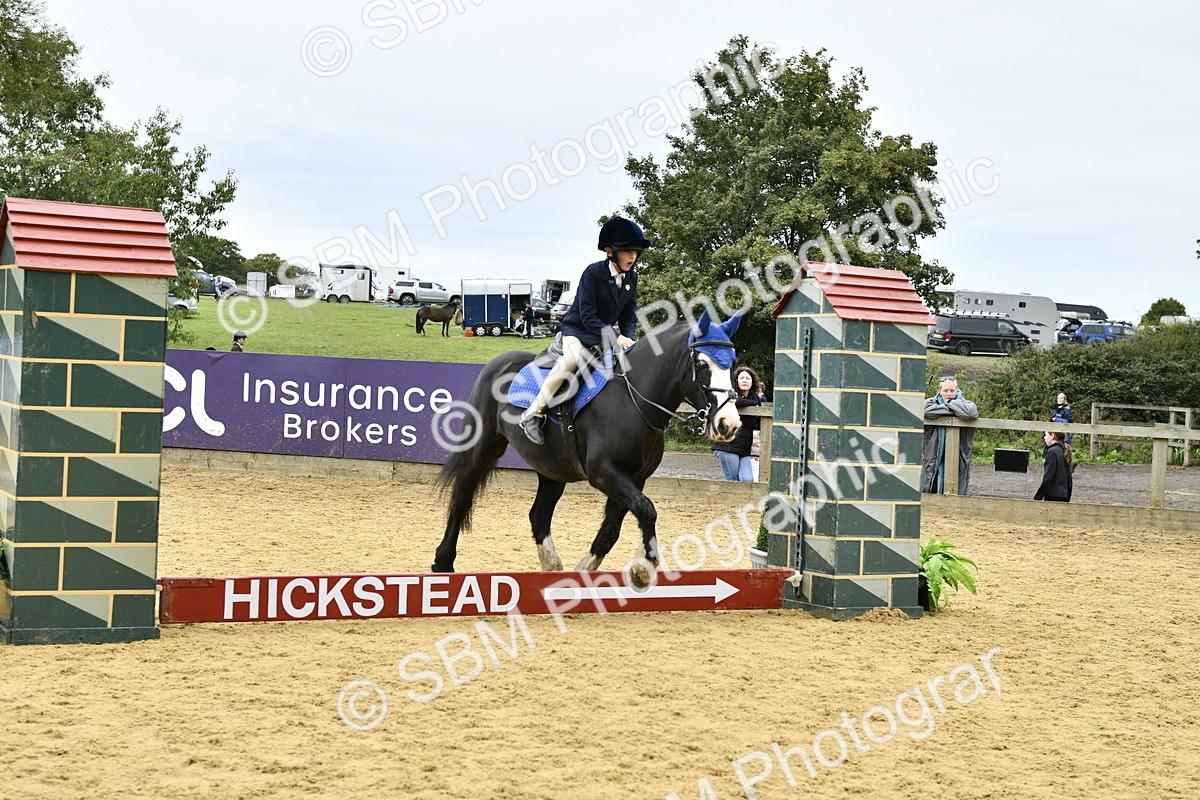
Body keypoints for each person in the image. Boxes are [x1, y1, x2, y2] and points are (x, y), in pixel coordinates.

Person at [519, 216, 647, 445]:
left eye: (636, 252)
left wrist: (629, 337)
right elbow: (588, 316)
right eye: (628, 252)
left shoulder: (632, 278)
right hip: (577, 332)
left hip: (606, 338)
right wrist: (616, 337)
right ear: (610, 251)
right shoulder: (593, 273)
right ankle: (533, 413)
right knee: (572, 359)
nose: (633, 257)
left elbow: (629, 315)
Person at [922, 377, 979, 495]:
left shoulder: (967, 404)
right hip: (934, 455)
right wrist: (955, 409)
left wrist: (945, 406)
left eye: (952, 391)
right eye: (945, 390)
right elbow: (924, 410)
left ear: (957, 391)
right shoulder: (930, 402)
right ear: (939, 391)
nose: (949, 394)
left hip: (959, 455)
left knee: (958, 488)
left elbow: (971, 413)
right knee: (929, 483)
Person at [712, 365, 767, 481]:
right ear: (736, 381)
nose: (745, 380)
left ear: (753, 382)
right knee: (733, 481)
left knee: (747, 480)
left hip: (744, 448)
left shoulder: (755, 398)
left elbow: (756, 423)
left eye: (748, 378)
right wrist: (753, 405)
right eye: (741, 378)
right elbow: (735, 401)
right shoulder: (730, 395)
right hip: (727, 445)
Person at [1034, 431, 1073, 502]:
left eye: (1046, 435)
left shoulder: (1052, 451)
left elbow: (1048, 476)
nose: (1044, 437)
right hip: (1064, 494)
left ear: (1052, 436)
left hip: (1053, 495)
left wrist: (1038, 497)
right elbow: (1068, 478)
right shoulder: (1063, 450)